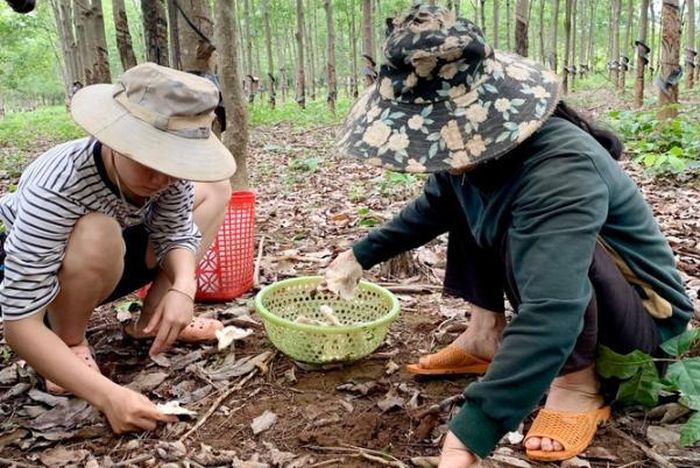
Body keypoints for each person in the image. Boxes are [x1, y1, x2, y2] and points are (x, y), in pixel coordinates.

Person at [324, 5, 693, 465]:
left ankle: (576, 384)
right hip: (567, 297)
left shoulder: (560, 170)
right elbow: (433, 207)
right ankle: (484, 335)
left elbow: (553, 307)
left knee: (537, 236)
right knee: (464, 201)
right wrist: (358, 255)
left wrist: (471, 434)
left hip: (640, 322)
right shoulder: (471, 160)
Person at [0, 63, 236, 433]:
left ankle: (154, 320)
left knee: (216, 187)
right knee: (99, 230)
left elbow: (176, 232)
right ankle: (70, 342)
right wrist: (110, 396)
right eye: (150, 160)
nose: (162, 177)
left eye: (174, 163)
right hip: (51, 275)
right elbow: (18, 322)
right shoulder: (58, 186)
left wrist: (183, 288)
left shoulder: (169, 174)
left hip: (117, 255)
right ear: (115, 137)